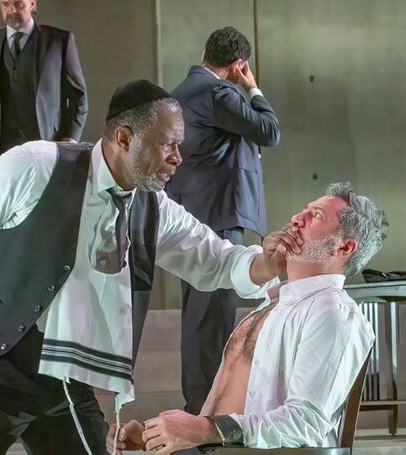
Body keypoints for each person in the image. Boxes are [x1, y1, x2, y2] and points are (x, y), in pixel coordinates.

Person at [0, 79, 296, 455]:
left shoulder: (152, 206)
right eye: (169, 145)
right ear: (124, 138)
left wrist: (263, 264)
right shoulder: (38, 165)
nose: (179, 157)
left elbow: (212, 256)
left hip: (63, 374)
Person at [107, 182, 388, 454]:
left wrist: (202, 430)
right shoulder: (273, 304)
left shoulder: (332, 313)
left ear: (344, 248)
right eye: (304, 209)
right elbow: (228, 411)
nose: (296, 219)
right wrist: (153, 435)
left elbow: (307, 423)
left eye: (315, 216)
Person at [165, 26, 281, 415]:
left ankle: (202, 406)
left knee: (200, 318)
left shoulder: (184, 90)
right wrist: (253, 88)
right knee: (211, 321)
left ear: (204, 51)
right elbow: (268, 131)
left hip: (195, 212)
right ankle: (205, 413)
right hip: (216, 216)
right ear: (237, 66)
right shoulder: (217, 92)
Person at [0, 0, 88, 167]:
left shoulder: (60, 41)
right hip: (2, 151)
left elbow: (79, 97)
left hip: (49, 147)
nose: (12, 10)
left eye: (19, 4)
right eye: (5, 4)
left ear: (32, 3)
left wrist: (70, 139)